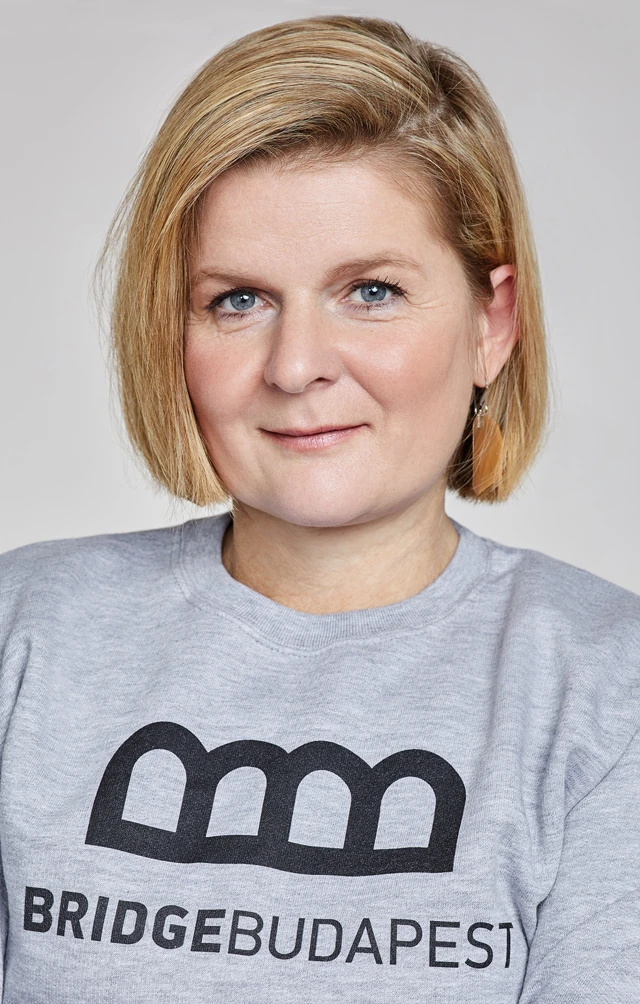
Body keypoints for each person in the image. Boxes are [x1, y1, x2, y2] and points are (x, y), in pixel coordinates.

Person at [1, 14, 638, 1003]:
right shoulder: (23, 632)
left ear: (492, 322)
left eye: (371, 291)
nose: (296, 366)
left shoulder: (608, 689)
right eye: (238, 300)